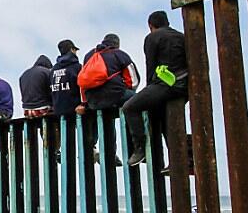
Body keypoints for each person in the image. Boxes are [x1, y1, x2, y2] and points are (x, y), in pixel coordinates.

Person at [122, 11, 188, 166]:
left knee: (129, 107)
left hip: (165, 86)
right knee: (165, 120)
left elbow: (150, 66)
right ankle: (176, 161)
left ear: (150, 25)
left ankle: (140, 150)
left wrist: (148, 90)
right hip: (183, 87)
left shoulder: (152, 37)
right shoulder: (181, 36)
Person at [76, 33, 139, 166]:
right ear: (116, 44)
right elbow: (133, 80)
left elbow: (83, 81)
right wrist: (126, 91)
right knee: (137, 102)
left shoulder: (89, 56)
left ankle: (94, 149)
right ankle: (137, 147)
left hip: (93, 100)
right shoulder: (119, 54)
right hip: (115, 96)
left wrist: (85, 102)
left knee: (103, 115)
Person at [50, 40, 82, 116]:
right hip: (76, 109)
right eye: (75, 50)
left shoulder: (53, 70)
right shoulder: (77, 67)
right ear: (72, 49)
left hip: (59, 111)